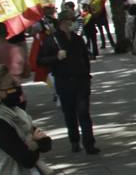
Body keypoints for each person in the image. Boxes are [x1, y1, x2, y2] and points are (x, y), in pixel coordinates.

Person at [36, 12, 98, 154]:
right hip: (64, 81)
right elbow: (40, 60)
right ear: (61, 23)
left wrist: (87, 75)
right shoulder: (52, 40)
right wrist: (56, 57)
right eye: (68, 21)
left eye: (72, 21)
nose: (71, 24)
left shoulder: (77, 39)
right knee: (69, 113)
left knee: (83, 113)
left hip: (81, 80)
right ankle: (74, 141)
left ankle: (89, 143)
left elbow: (85, 57)